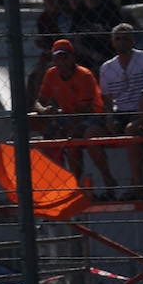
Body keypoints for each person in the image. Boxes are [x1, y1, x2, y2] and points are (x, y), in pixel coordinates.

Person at [91, 23, 143, 200]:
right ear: (112, 42)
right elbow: (106, 100)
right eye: (118, 39)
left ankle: (137, 186)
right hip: (120, 113)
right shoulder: (107, 68)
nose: (122, 42)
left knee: (131, 130)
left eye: (126, 38)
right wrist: (109, 119)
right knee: (91, 132)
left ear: (133, 40)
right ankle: (108, 183)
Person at [31, 38, 106, 179]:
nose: (61, 62)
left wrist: (62, 131)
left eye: (65, 58)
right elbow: (38, 102)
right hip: (67, 116)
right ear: (53, 59)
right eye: (58, 58)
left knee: (71, 138)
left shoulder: (84, 75)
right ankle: (15, 162)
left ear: (73, 58)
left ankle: (77, 182)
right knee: (27, 122)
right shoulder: (51, 73)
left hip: (92, 116)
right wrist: (43, 110)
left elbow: (84, 112)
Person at [72, 0, 126, 71]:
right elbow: (77, 43)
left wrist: (100, 34)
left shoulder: (109, 8)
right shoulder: (78, 12)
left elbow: (119, 36)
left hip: (111, 54)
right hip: (88, 59)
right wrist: (94, 55)